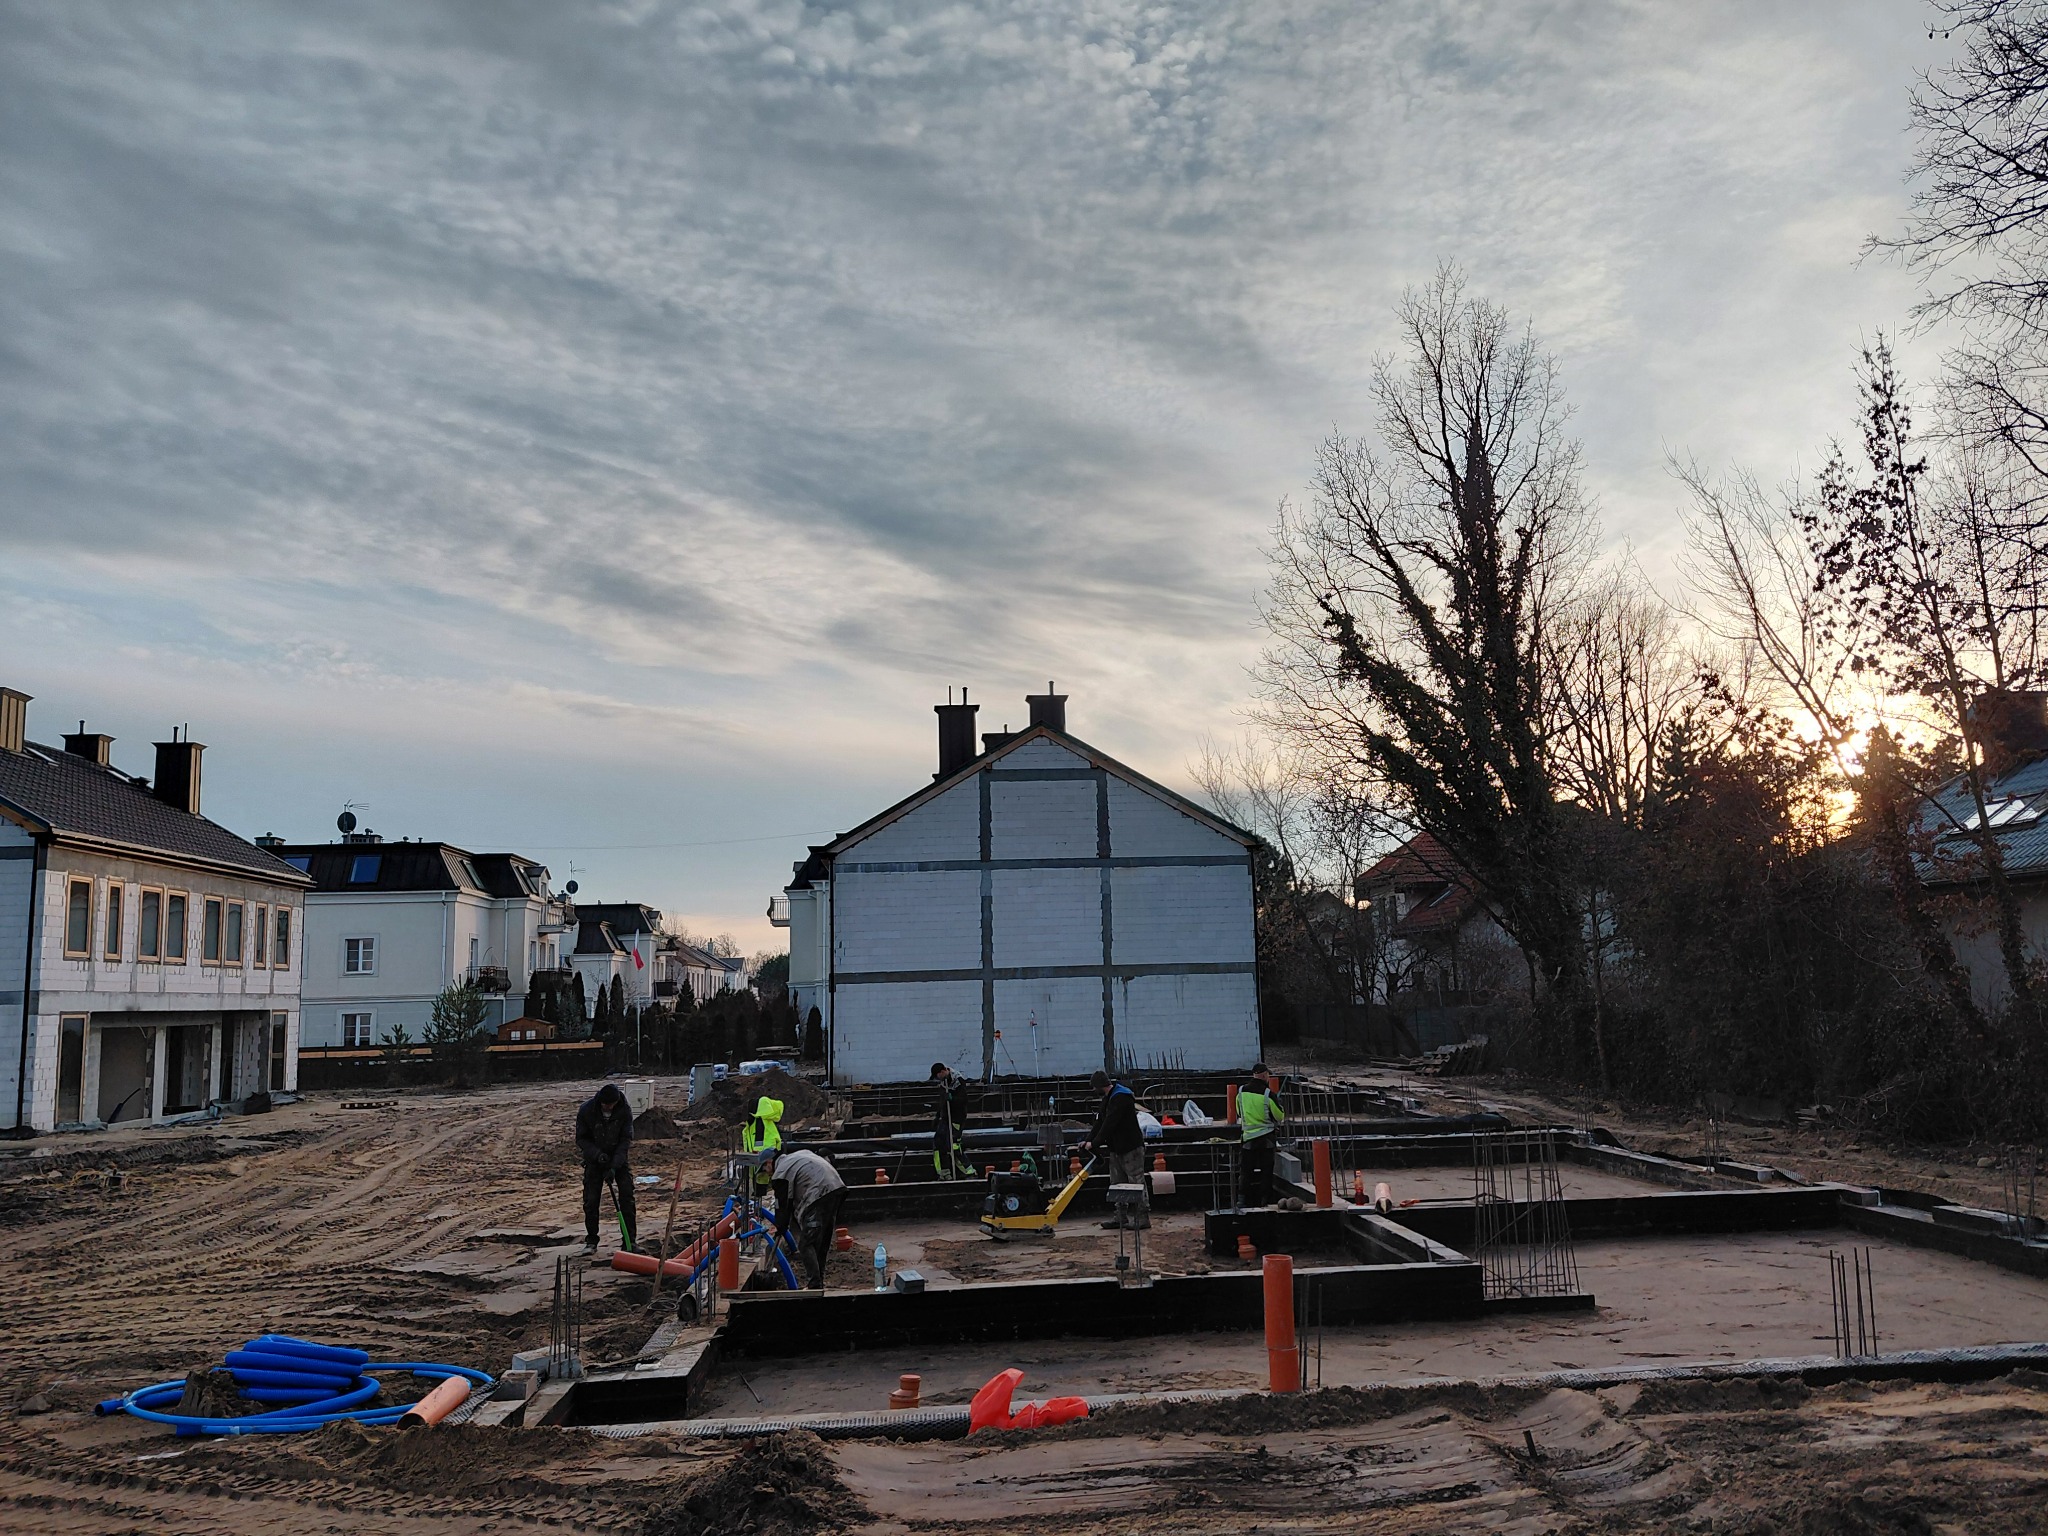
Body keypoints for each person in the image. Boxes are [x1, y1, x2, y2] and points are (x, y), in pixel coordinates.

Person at [765, 1146, 848, 1289]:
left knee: (805, 1243)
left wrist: (780, 1226)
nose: (767, 1174)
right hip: (836, 1189)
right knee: (821, 1242)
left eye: (764, 1169)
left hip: (819, 1194)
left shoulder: (781, 1172)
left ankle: (814, 1283)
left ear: (768, 1162)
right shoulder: (798, 1156)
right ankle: (819, 1281)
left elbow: (782, 1204)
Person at [575, 1082, 637, 1252]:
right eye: (605, 1105)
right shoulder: (587, 1110)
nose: (607, 1107)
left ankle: (630, 1242)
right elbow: (581, 1138)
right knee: (591, 1200)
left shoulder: (624, 1110)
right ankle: (591, 1241)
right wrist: (597, 1155)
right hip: (595, 1160)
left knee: (627, 1197)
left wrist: (614, 1167)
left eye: (610, 1105)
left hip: (618, 1159)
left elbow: (625, 1140)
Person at [1086, 1070, 1146, 1226]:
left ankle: (1143, 1217)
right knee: (1117, 1183)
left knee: (1136, 1182)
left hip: (1131, 1147)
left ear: (1100, 1085)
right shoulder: (1108, 1098)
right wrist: (1088, 1140)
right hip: (1117, 1148)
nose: (1094, 1090)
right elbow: (1100, 1122)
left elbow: (1110, 1124)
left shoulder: (1120, 1097)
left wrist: (1095, 1143)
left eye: (1094, 1087)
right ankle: (1120, 1216)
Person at [1235, 1063, 1286, 1208]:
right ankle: (1264, 1202)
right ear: (1264, 1075)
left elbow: (1239, 1112)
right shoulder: (1268, 1094)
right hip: (1266, 1139)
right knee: (1266, 1172)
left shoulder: (1241, 1091)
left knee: (1245, 1171)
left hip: (1247, 1139)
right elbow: (1279, 1116)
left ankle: (1242, 1201)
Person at [929, 1062, 976, 1179]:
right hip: (945, 1117)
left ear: (943, 1071)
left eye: (937, 1076)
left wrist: (952, 1098)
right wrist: (938, 1115)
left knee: (954, 1145)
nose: (937, 1079)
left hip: (956, 1118)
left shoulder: (957, 1081)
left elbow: (964, 1100)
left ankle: (969, 1171)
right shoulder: (943, 1083)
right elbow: (942, 1102)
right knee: (939, 1142)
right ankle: (944, 1173)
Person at [742, 1090, 784, 1194]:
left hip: (762, 1160)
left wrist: (757, 1156)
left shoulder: (760, 1123)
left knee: (761, 1186)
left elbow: (759, 1143)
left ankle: (760, 1197)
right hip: (761, 1160)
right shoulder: (761, 1122)